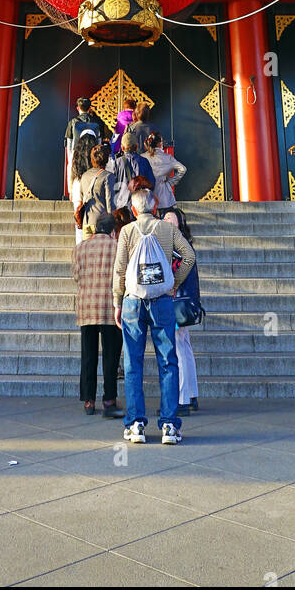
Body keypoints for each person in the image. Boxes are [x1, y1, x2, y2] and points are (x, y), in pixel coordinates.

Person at [113, 186, 195, 445]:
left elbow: (119, 271)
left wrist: (117, 302)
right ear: (155, 207)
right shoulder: (168, 229)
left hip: (133, 302)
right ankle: (169, 426)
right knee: (168, 362)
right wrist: (174, 284)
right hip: (162, 301)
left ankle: (136, 424)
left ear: (134, 209)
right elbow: (189, 257)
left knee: (133, 363)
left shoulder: (126, 231)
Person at [71, 211, 124, 418]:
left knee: (88, 355)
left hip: (87, 307)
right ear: (113, 230)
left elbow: (77, 276)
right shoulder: (118, 248)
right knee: (111, 357)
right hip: (110, 308)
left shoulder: (80, 248)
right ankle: (109, 399)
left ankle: (88, 400)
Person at [163, 208, 199, 415]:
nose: (166, 220)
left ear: (179, 221)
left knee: (177, 347)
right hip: (184, 300)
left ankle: (181, 398)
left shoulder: (177, 246)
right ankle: (192, 393)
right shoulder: (183, 243)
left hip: (176, 300)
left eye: (170, 217)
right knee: (184, 346)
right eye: (164, 217)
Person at [64, 96, 106, 191]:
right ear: (89, 108)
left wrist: (71, 159)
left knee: (75, 176)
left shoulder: (73, 122)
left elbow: (69, 144)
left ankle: (73, 194)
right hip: (93, 155)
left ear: (78, 108)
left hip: (76, 154)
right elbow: (99, 141)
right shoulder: (98, 122)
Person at [109, 130, 154, 215]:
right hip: (141, 206)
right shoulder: (144, 162)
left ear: (122, 148)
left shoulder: (117, 163)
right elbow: (152, 184)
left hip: (122, 208)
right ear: (137, 146)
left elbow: (112, 186)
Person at [144, 131, 187, 213]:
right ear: (160, 144)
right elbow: (183, 169)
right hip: (164, 195)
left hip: (148, 195)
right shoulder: (168, 158)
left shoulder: (143, 157)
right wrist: (171, 182)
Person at [69, 132, 100, 245]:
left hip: (78, 189)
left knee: (79, 225)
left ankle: (80, 250)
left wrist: (71, 190)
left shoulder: (75, 155)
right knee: (90, 222)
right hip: (90, 189)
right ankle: (89, 248)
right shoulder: (96, 154)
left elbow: (70, 172)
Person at [77, 144, 114, 234]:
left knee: (88, 247)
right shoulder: (108, 176)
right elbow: (110, 203)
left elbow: (82, 199)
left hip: (87, 221)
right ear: (106, 159)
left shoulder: (84, 176)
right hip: (102, 222)